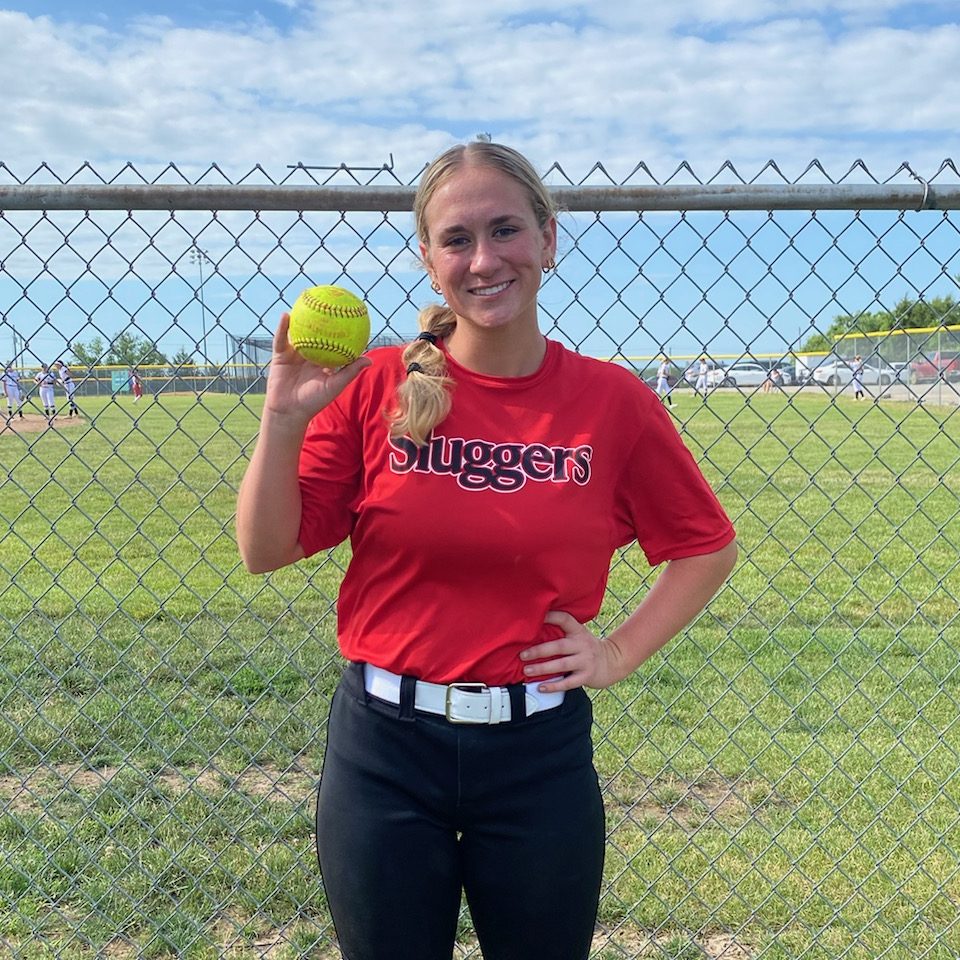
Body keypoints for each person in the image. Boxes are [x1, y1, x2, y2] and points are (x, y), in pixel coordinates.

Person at [236, 141, 738, 960]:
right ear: (429, 260)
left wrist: (615, 653)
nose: (483, 259)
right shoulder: (377, 385)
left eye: (505, 230)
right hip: (385, 751)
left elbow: (706, 546)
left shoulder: (611, 400)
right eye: (457, 239)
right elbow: (264, 548)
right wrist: (284, 418)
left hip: (537, 755)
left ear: (547, 239)